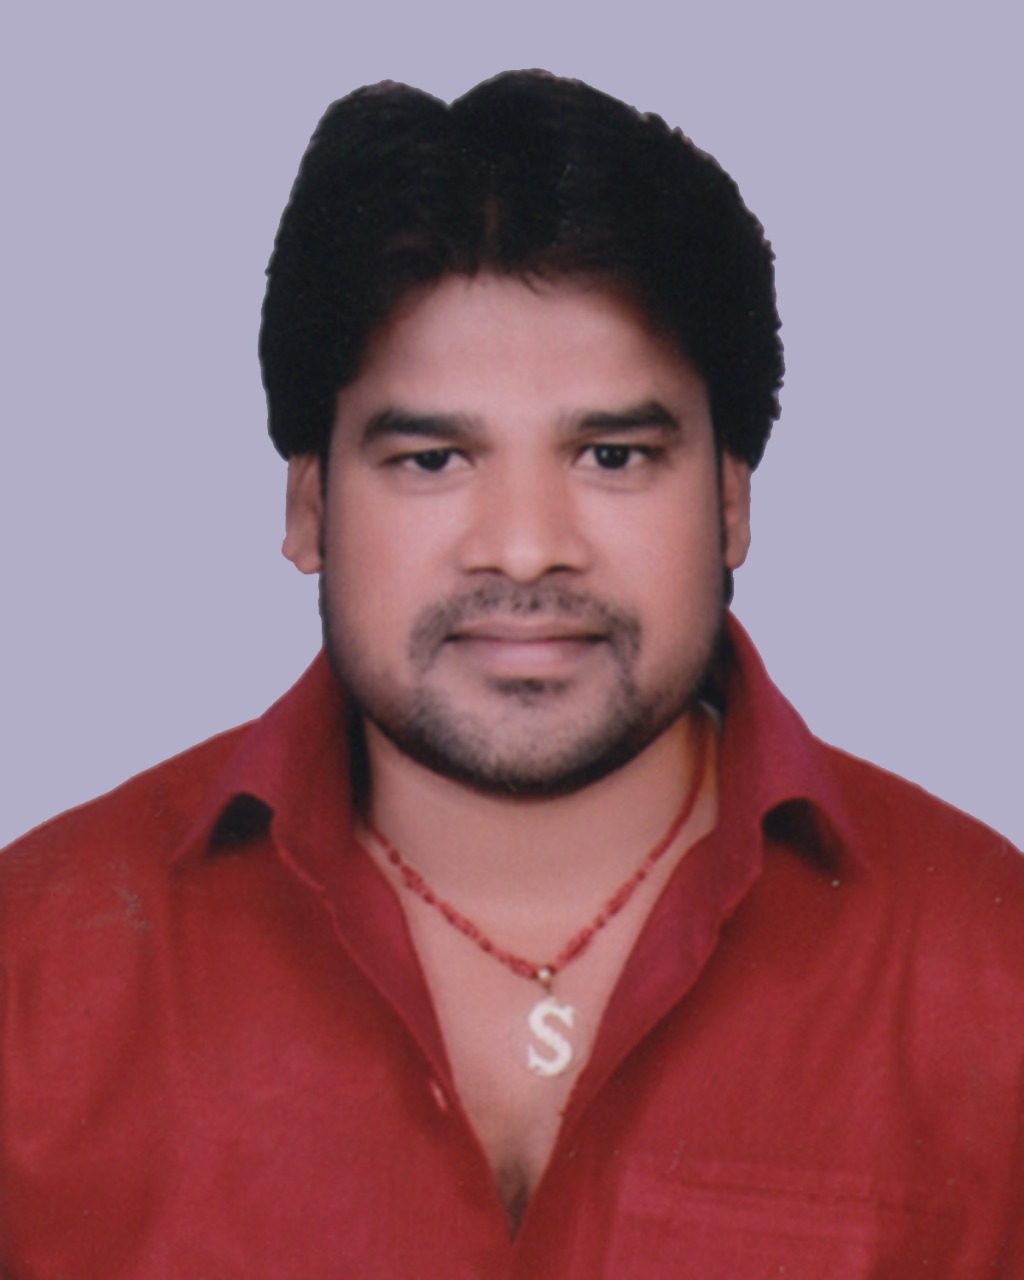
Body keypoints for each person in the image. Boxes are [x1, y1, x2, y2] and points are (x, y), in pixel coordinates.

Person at [1, 71, 1021, 1278]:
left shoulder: (990, 968)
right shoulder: (33, 969)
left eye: (612, 454)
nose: (527, 545)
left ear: (730, 501)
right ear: (309, 506)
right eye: (433, 458)